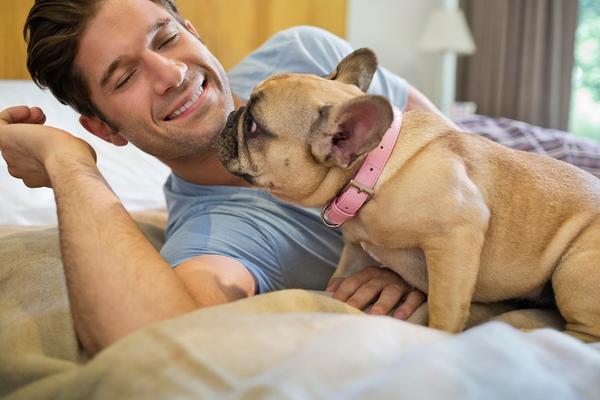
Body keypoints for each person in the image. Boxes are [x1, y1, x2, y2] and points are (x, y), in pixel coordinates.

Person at [0, 0, 457, 355]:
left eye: (165, 40)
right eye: (125, 79)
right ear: (104, 129)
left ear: (193, 33)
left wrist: (412, 261)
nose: (172, 74)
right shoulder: (215, 239)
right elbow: (151, 344)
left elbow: (462, 155)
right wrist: (69, 165)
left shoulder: (305, 54)